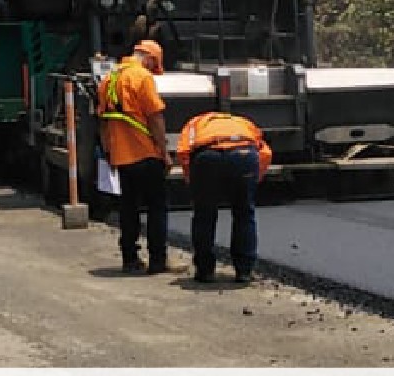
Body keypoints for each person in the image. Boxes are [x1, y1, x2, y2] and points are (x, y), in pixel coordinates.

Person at [96, 39, 174, 273]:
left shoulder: (109, 79)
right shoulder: (142, 77)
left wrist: (108, 151)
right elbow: (155, 117)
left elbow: (103, 121)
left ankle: (129, 259)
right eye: (154, 65)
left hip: (121, 155)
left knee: (128, 208)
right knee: (157, 207)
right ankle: (158, 261)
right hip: (146, 153)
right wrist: (164, 151)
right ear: (149, 58)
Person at [177, 112, 272, 284]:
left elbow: (184, 151)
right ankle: (244, 271)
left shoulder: (195, 123)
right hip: (244, 155)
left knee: (204, 215)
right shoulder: (244, 122)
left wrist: (192, 181)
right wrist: (253, 181)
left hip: (208, 158)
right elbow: (264, 152)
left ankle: (205, 270)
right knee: (244, 213)